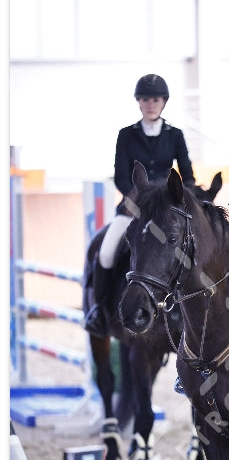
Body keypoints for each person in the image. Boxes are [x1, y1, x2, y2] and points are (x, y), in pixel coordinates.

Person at [84, 73, 196, 337]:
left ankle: (189, 310)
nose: (150, 104)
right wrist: (138, 198)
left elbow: (188, 175)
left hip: (166, 211)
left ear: (163, 102)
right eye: (145, 99)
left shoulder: (175, 135)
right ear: (139, 102)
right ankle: (98, 311)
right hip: (135, 208)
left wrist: (182, 198)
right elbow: (122, 176)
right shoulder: (126, 135)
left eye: (155, 99)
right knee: (107, 252)